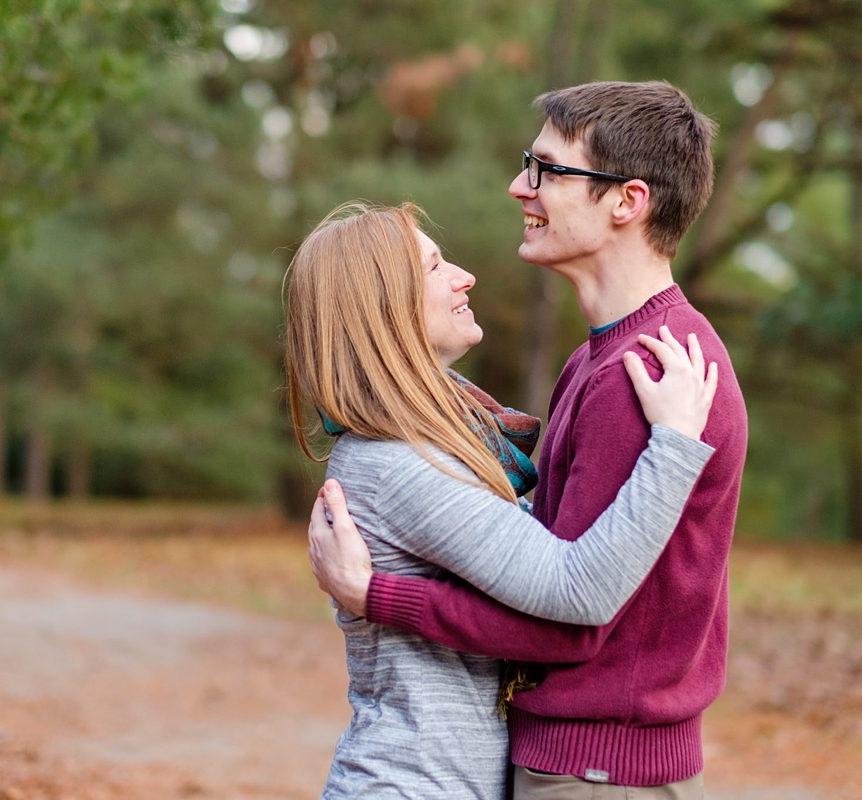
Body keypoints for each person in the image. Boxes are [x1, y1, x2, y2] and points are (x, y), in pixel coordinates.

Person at [308, 81, 749, 799]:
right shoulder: (600, 360)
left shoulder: (648, 371)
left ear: (626, 202)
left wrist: (375, 594)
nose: (521, 186)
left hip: (600, 770)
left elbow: (573, 615)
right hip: (577, 761)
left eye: (547, 170)